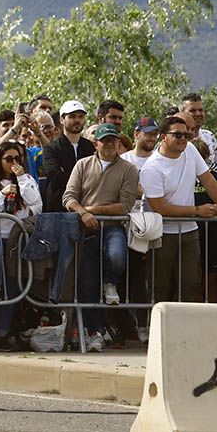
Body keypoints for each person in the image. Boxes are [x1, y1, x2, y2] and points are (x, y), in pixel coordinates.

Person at [140, 116, 217, 306]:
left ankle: (187, 334)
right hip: (162, 234)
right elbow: (160, 208)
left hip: (189, 232)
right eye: (177, 135)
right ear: (163, 137)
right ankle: (157, 331)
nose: (183, 138)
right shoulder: (151, 168)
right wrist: (197, 211)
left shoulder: (191, 150)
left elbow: (209, 180)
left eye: (186, 134)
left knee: (191, 285)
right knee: (161, 287)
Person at [62, 124, 139, 352]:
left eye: (113, 140)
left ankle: (111, 282)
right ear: (96, 143)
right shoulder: (82, 165)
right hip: (85, 230)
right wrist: (83, 213)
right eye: (104, 140)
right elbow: (69, 197)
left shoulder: (129, 169)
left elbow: (125, 205)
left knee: (116, 256)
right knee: (87, 282)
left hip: (113, 227)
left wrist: (92, 210)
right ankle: (94, 332)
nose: (109, 144)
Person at [0, 141, 42, 350]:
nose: (14, 163)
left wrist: (22, 178)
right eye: (9, 159)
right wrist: (2, 194)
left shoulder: (28, 179)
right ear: (0, 161)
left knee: (13, 284)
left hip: (17, 236)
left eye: (18, 158)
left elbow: (37, 204)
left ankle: (4, 332)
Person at [41, 100, 95, 213]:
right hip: (58, 210)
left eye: (81, 116)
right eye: (72, 116)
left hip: (88, 207)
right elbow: (55, 177)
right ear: (62, 120)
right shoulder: (51, 149)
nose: (77, 120)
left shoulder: (91, 147)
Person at [181, 93, 217, 170]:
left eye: (200, 110)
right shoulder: (177, 139)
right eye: (193, 111)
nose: (198, 113)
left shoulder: (209, 136)